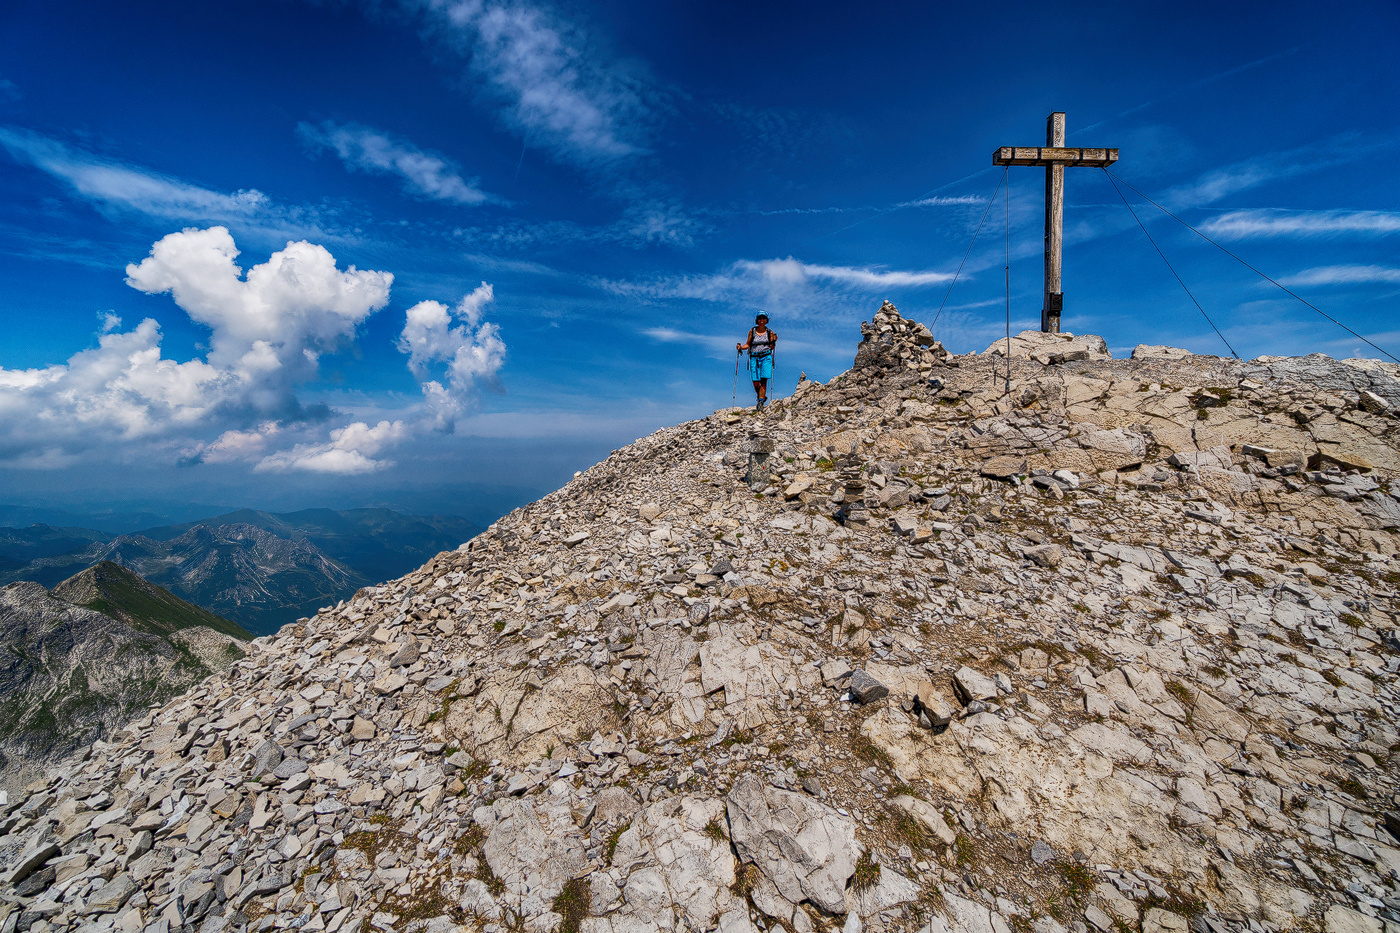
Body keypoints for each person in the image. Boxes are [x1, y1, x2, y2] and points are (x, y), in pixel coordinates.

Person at [737, 313, 777, 409]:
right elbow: (748, 344)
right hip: (754, 357)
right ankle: (761, 396)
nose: (762, 320)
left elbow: (772, 346)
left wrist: (774, 340)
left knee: (763, 379)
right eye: (760, 318)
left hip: (766, 357)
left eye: (764, 318)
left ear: (766, 320)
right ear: (757, 320)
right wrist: (741, 347)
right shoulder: (753, 331)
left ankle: (761, 402)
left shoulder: (769, 332)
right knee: (755, 381)